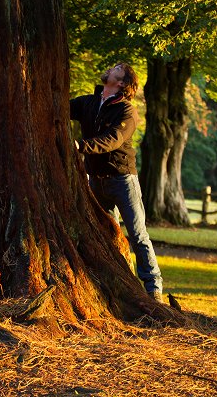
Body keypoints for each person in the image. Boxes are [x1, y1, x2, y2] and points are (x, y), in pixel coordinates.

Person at [70, 62, 163, 302]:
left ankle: (153, 287)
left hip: (122, 180)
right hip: (96, 182)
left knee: (137, 233)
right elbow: (58, 106)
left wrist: (82, 146)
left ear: (121, 82)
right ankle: (120, 280)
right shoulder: (89, 103)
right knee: (106, 233)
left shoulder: (126, 111)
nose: (111, 68)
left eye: (117, 68)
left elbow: (113, 139)